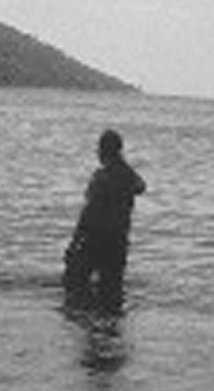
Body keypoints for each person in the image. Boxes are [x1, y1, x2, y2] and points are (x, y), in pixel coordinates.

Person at [63, 129, 146, 310]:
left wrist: (74, 241)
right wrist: (122, 163)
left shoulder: (102, 177)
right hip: (118, 241)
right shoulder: (128, 176)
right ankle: (110, 330)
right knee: (112, 291)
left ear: (102, 151)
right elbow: (141, 187)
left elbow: (88, 213)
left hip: (95, 240)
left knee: (75, 285)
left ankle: (91, 323)